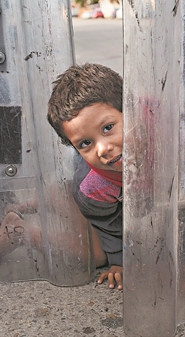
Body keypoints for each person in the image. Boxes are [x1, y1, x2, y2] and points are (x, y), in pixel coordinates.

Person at [47, 63, 124, 290]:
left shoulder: (157, 124)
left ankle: (47, 199)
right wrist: (119, 261)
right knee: (97, 257)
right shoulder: (93, 187)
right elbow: (109, 225)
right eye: (85, 143)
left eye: (108, 127)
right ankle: (26, 229)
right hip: (93, 202)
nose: (102, 149)